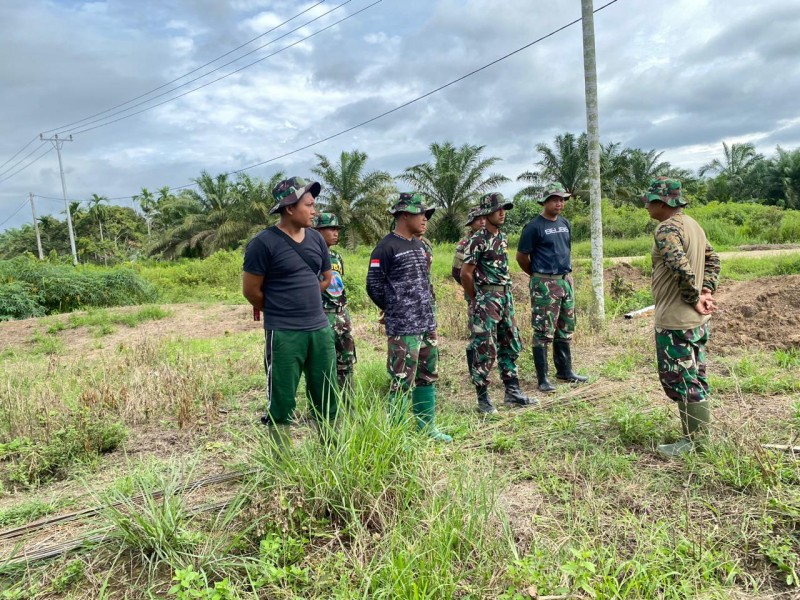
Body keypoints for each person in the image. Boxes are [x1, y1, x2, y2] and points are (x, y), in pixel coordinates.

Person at [242, 176, 338, 450]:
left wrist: (306, 301)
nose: (314, 210)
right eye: (309, 204)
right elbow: (251, 291)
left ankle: (331, 451)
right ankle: (282, 460)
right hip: (284, 333)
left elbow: (325, 277)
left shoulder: (316, 241)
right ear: (289, 208)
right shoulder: (263, 244)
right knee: (282, 398)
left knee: (327, 394)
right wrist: (283, 310)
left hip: (319, 329)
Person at [642, 177, 720, 457]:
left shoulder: (667, 229)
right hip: (694, 321)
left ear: (662, 202)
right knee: (695, 375)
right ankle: (696, 438)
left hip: (677, 320)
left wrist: (696, 296)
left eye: (649, 200)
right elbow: (714, 260)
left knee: (682, 379)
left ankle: (695, 443)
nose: (646, 206)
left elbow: (681, 268)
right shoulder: (693, 225)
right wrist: (707, 290)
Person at [366, 192, 452, 442]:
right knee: (402, 379)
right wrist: (394, 308)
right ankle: (396, 434)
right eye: (420, 214)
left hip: (426, 323)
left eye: (426, 214)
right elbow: (374, 285)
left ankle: (427, 428)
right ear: (404, 215)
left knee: (427, 375)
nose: (425, 219)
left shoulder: (419, 244)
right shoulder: (386, 247)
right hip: (404, 327)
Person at [461, 192, 534, 414]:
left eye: (504, 209)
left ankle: (512, 391)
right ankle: (483, 398)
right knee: (483, 346)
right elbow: (466, 274)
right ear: (486, 213)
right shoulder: (477, 240)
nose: (502, 213)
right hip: (487, 297)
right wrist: (477, 298)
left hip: (505, 296)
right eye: (497, 209)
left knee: (510, 341)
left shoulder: (502, 237)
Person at [515, 182, 588, 394]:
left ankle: (565, 371)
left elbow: (565, 250)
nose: (560, 203)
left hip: (565, 280)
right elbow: (521, 257)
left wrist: (564, 278)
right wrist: (538, 277)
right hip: (545, 283)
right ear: (545, 201)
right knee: (543, 330)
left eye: (562, 199)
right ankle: (543, 378)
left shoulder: (565, 223)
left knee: (565, 327)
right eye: (555, 199)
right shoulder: (533, 227)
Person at [313, 212, 356, 396]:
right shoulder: (311, 256)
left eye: (337, 229)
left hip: (340, 313)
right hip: (322, 313)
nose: (336, 232)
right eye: (331, 228)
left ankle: (348, 406)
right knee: (324, 363)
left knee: (346, 362)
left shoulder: (337, 256)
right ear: (317, 231)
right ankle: (326, 408)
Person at [452, 207, 487, 378]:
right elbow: (457, 272)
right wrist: (471, 291)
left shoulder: (493, 239)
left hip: (492, 295)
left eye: (484, 218)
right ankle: (473, 371)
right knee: (476, 332)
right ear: (471, 223)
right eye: (477, 219)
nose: (482, 222)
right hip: (475, 294)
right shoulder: (464, 244)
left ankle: (486, 367)